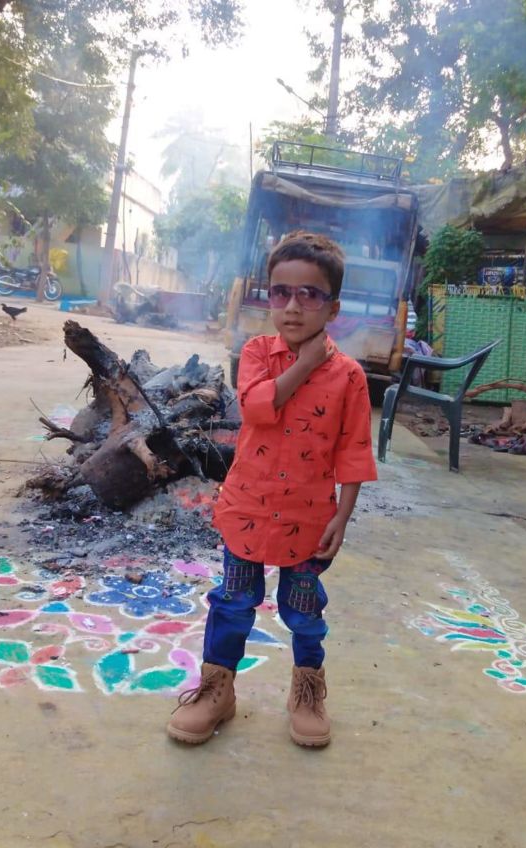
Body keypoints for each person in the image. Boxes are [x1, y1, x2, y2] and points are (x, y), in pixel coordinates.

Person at [166, 231, 377, 748]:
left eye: (310, 294)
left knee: (304, 612)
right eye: (281, 292)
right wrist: (304, 364)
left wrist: (343, 517)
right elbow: (258, 407)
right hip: (248, 512)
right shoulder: (257, 353)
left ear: (333, 307)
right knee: (233, 602)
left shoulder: (349, 377)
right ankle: (217, 690)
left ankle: (307, 693)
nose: (293, 306)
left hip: (309, 519)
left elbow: (353, 452)